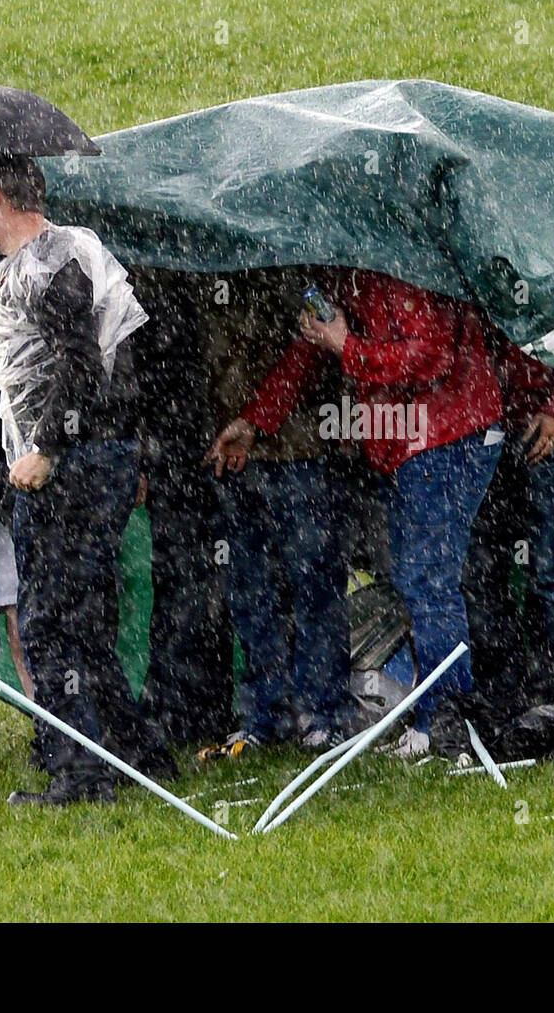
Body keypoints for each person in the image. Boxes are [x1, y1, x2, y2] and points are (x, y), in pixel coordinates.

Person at [0, 152, 176, 806]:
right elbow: (37, 335)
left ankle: (80, 773)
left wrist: (44, 447)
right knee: (82, 618)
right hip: (93, 457)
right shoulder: (49, 259)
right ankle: (136, 753)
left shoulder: (52, 264)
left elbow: (80, 365)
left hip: (72, 465)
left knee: (51, 622)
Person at [207, 268, 504, 756]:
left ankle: (445, 724)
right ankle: (441, 717)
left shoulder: (401, 266)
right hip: (413, 439)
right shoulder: (346, 268)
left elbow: (429, 356)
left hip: (448, 434)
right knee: (422, 579)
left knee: (427, 580)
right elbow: (310, 349)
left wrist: (347, 346)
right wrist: (258, 419)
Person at [199, 268, 350, 756]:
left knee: (313, 584)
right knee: (250, 589)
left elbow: (310, 352)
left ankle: (320, 710)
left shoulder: (298, 254)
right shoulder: (207, 257)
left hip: (299, 449)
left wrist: (257, 420)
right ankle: (267, 713)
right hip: (234, 450)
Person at [463, 330, 554, 702]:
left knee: (548, 572)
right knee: (484, 571)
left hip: (537, 430)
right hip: (485, 430)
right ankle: (503, 690)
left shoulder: (551, 279)